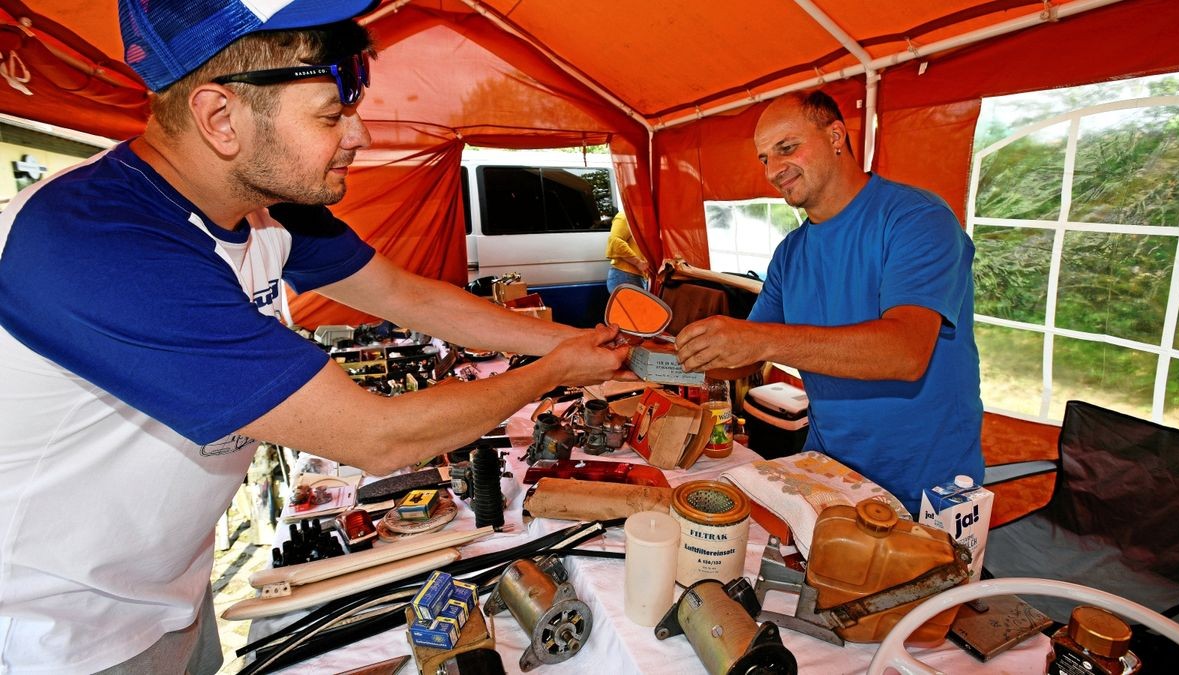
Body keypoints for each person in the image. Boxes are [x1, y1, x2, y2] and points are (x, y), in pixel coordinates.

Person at [0, 2, 631, 672]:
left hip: (168, 596)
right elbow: (379, 436)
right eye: (331, 115)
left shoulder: (262, 205)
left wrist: (576, 340)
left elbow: (406, 295)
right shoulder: (100, 242)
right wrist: (554, 370)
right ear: (220, 118)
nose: (358, 134)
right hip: (52, 632)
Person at [674, 91, 983, 514]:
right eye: (764, 158)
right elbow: (739, 358)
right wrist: (674, 349)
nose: (774, 170)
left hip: (924, 487)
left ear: (836, 136)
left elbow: (905, 353)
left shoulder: (917, 219)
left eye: (787, 148)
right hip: (827, 473)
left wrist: (761, 340)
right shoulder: (791, 252)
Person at [604, 210, 651, 292]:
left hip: (633, 276)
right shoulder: (625, 215)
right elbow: (615, 241)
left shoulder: (640, 217)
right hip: (625, 276)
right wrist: (638, 262)